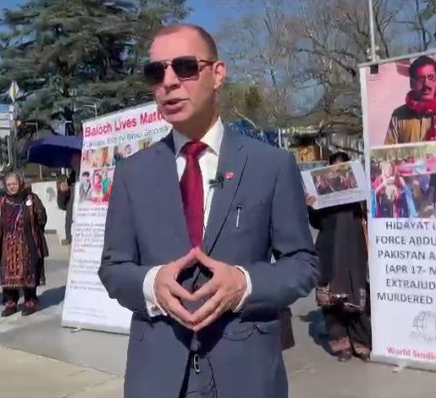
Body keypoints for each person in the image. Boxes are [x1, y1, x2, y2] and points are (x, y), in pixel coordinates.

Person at [98, 24, 318, 398]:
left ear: (217, 74)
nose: (167, 82)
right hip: (158, 377)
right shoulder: (132, 173)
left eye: (184, 67)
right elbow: (113, 269)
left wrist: (244, 284)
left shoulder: (272, 165)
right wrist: (152, 284)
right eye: (156, 72)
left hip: (247, 375)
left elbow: (302, 265)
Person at [307, 152, 372, 362]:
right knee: (331, 302)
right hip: (328, 249)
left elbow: (366, 215)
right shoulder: (322, 191)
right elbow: (317, 224)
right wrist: (312, 206)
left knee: (355, 297)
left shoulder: (358, 191)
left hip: (353, 249)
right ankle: (341, 344)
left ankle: (361, 342)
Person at [0, 172, 48, 317]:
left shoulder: (31, 198)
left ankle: (30, 302)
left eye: (14, 183)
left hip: (27, 243)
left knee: (28, 273)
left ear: (20, 183)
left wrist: (33, 228)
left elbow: (42, 217)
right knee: (8, 275)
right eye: (9, 185)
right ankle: (10, 303)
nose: (12, 187)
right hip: (8, 245)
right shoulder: (3, 202)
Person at [385, 55, 436, 144]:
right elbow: (389, 154)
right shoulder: (399, 115)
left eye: (431, 77)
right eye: (421, 79)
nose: (426, 84)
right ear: (412, 83)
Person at [57, 152, 80, 245]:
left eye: (77, 159)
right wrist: (63, 192)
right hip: (72, 234)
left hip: (90, 233)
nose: (74, 162)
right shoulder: (71, 179)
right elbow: (62, 205)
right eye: (73, 160)